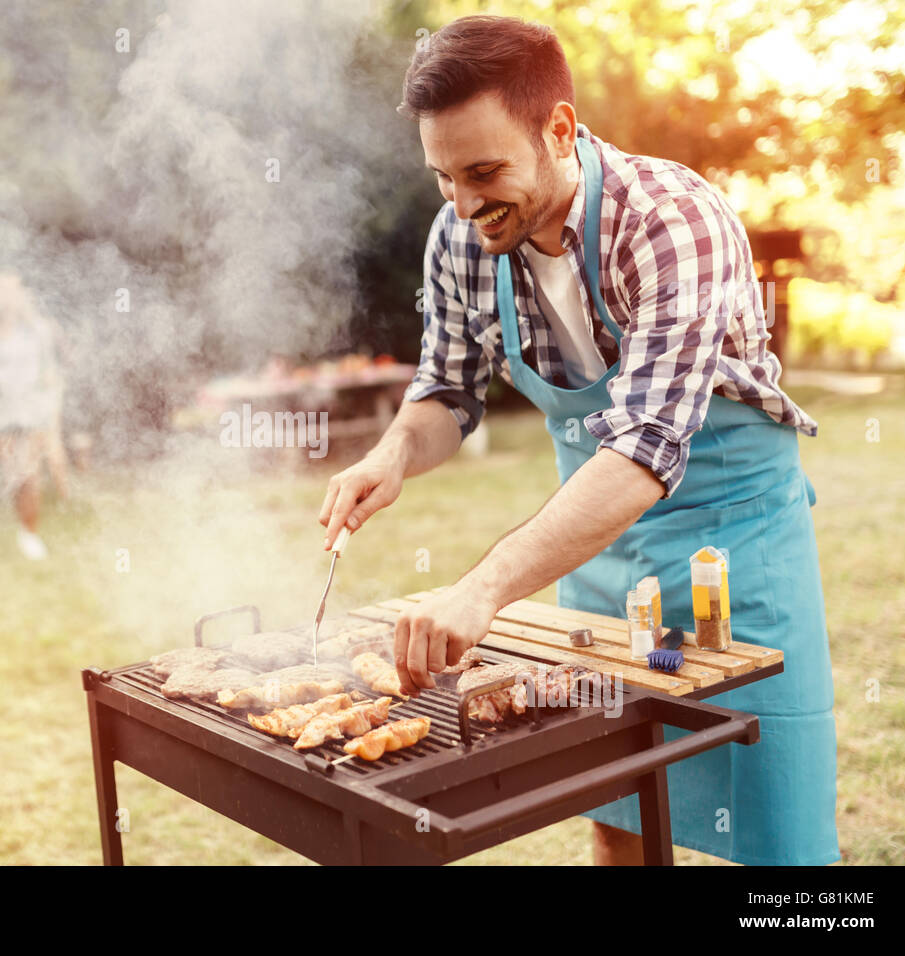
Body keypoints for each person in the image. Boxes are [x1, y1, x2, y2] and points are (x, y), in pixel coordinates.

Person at [319, 16, 837, 867]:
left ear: (559, 128)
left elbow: (642, 451)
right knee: (621, 811)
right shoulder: (460, 235)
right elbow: (446, 391)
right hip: (591, 558)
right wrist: (392, 455)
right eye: (443, 176)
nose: (463, 203)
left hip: (735, 548)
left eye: (484, 171)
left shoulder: (673, 223)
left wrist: (482, 590)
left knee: (779, 831)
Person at [0, 270, 63, 559]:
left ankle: (30, 534)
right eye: (4, 292)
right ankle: (23, 524)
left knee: (29, 473)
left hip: (34, 411)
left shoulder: (38, 329)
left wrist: (48, 382)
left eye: (15, 291)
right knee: (14, 475)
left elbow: (50, 368)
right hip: (1, 414)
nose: (11, 297)